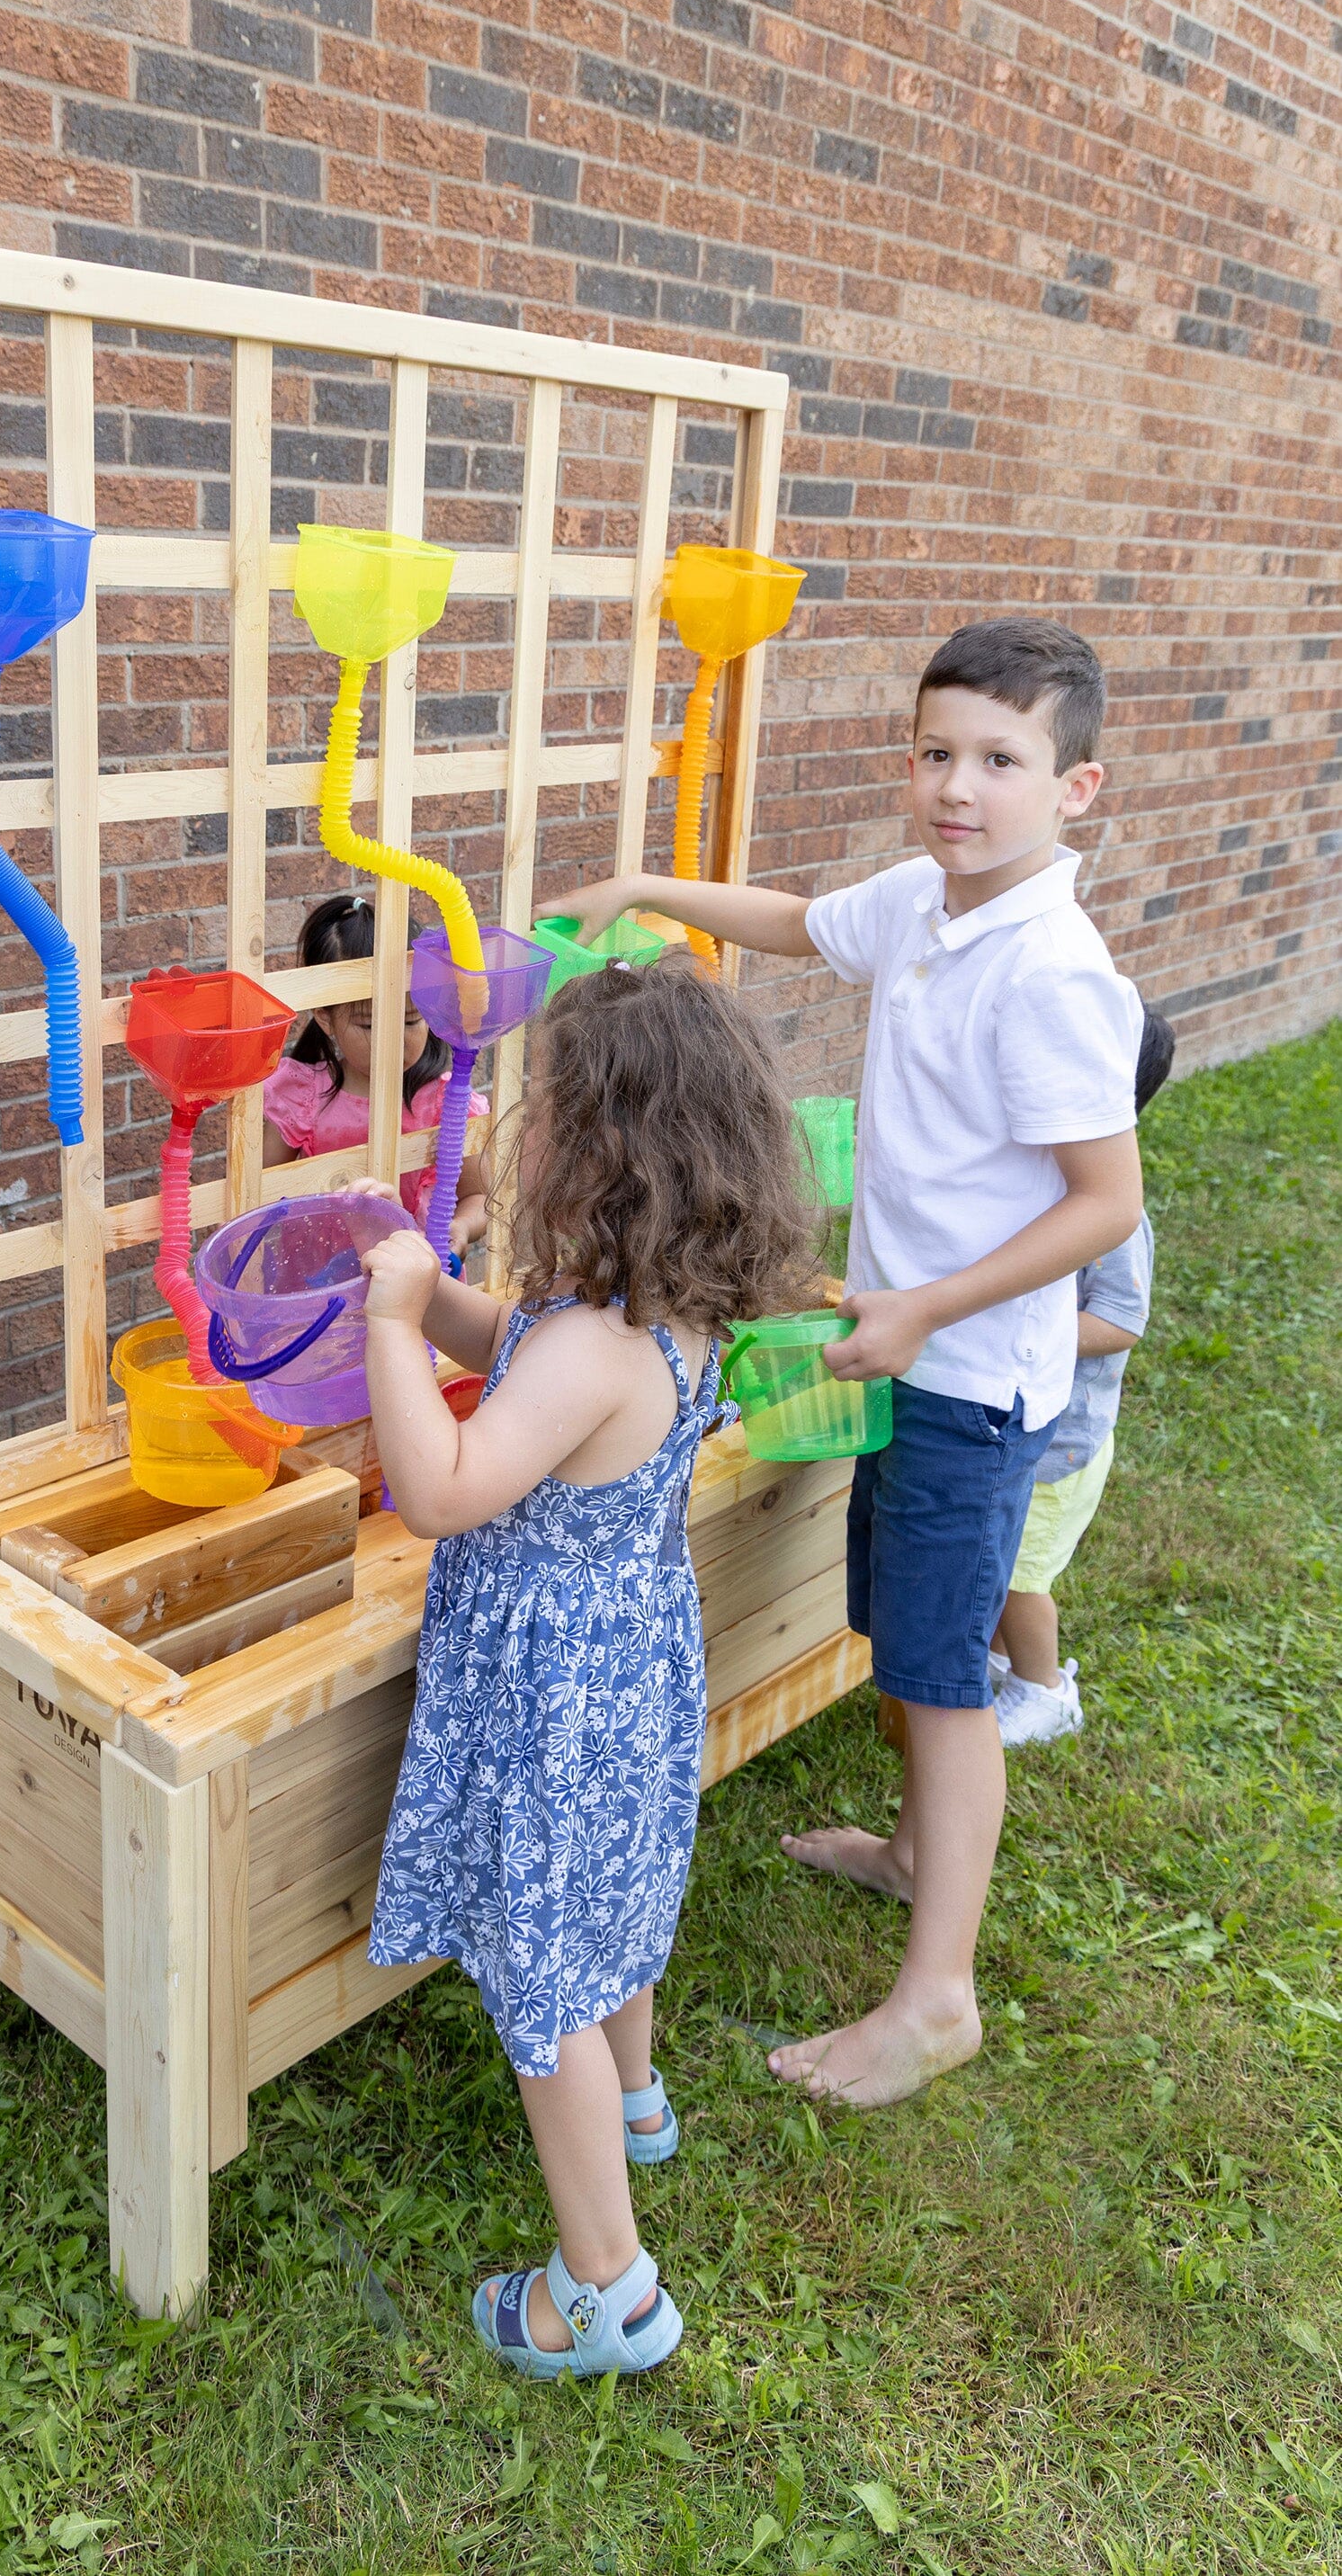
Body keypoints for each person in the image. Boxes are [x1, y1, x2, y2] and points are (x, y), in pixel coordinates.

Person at [539, 617, 1145, 2110]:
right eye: (937, 751)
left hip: (966, 1378)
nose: (957, 785)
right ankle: (913, 1855)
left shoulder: (1050, 971)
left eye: (1001, 761)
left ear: (1077, 790)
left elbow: (1104, 1202)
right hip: (901, 1352)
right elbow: (796, 921)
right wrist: (636, 890)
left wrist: (928, 1308)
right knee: (901, 1633)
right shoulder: (932, 907)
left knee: (945, 1679)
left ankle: (938, 1997)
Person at [359, 954, 814, 2375]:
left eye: (534, 1099)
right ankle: (639, 2094)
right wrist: (442, 1310)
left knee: (538, 1973)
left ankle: (605, 2288)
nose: (507, 1115)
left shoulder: (592, 1343)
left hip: (550, 1691)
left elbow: (443, 1486)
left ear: (602, 1148)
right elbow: (529, 1359)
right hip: (629, 1667)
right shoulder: (659, 1316)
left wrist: (381, 1326)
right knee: (608, 1897)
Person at [990, 1004, 1175, 1746]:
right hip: (1015, 1421)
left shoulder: (1114, 1216)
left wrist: (1029, 1329)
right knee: (997, 1552)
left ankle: (1044, 1691)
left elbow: (1125, 1321)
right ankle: (1005, 1665)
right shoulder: (1042, 1186)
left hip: (1062, 1444)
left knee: (1019, 1573)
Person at [262, 891, 488, 1256]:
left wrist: (461, 1226)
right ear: (325, 1017)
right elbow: (257, 1194)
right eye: (369, 1025)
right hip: (321, 1283)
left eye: (412, 1020)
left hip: (416, 1289)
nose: (393, 1039)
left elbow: (477, 1196)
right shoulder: (303, 1097)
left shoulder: (447, 1103)